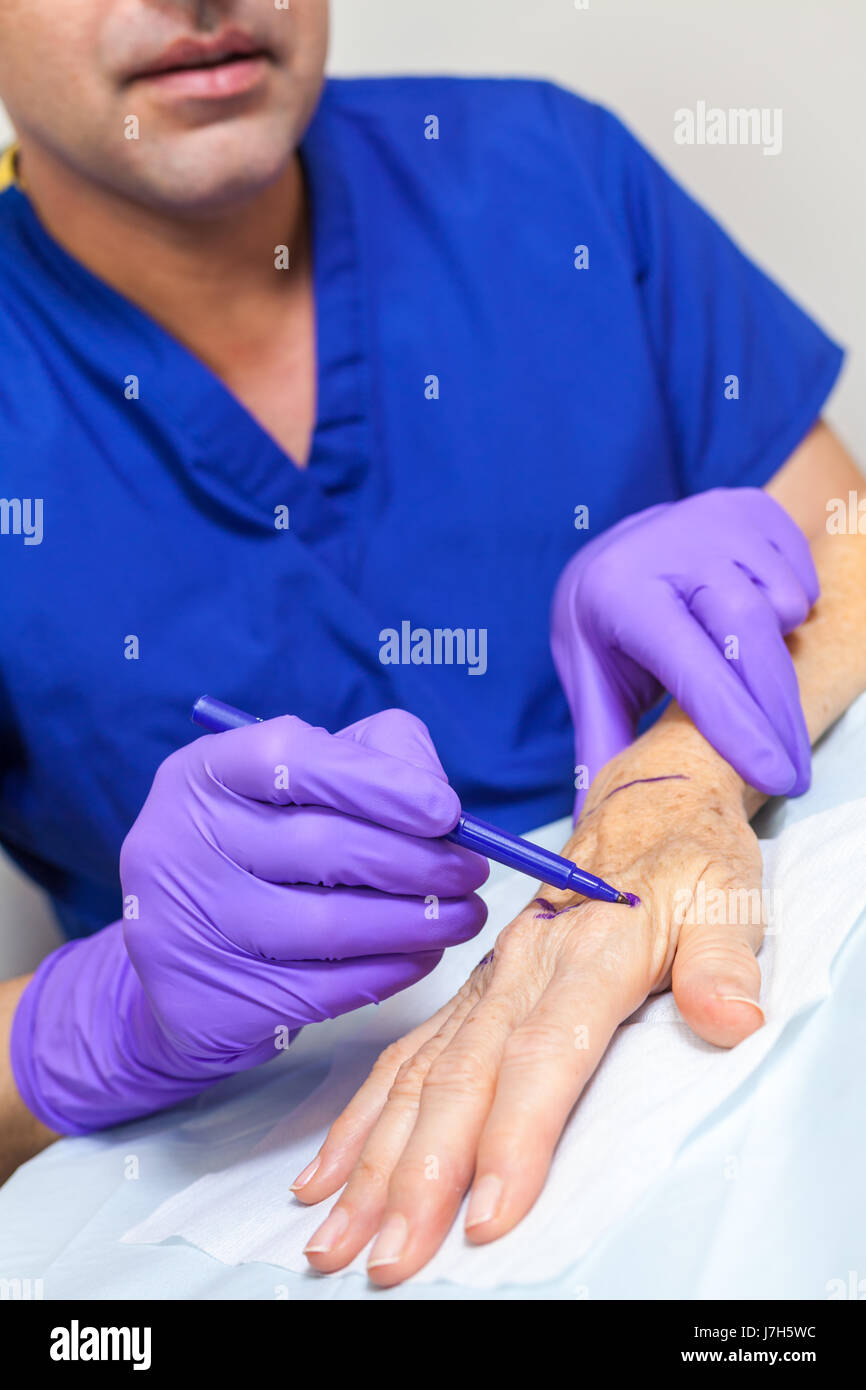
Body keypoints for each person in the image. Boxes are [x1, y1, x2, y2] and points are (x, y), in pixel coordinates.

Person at [0, 0, 863, 1274]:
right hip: (278, 1173)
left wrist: (683, 762)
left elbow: (844, 543)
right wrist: (107, 1017)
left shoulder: (547, 170)